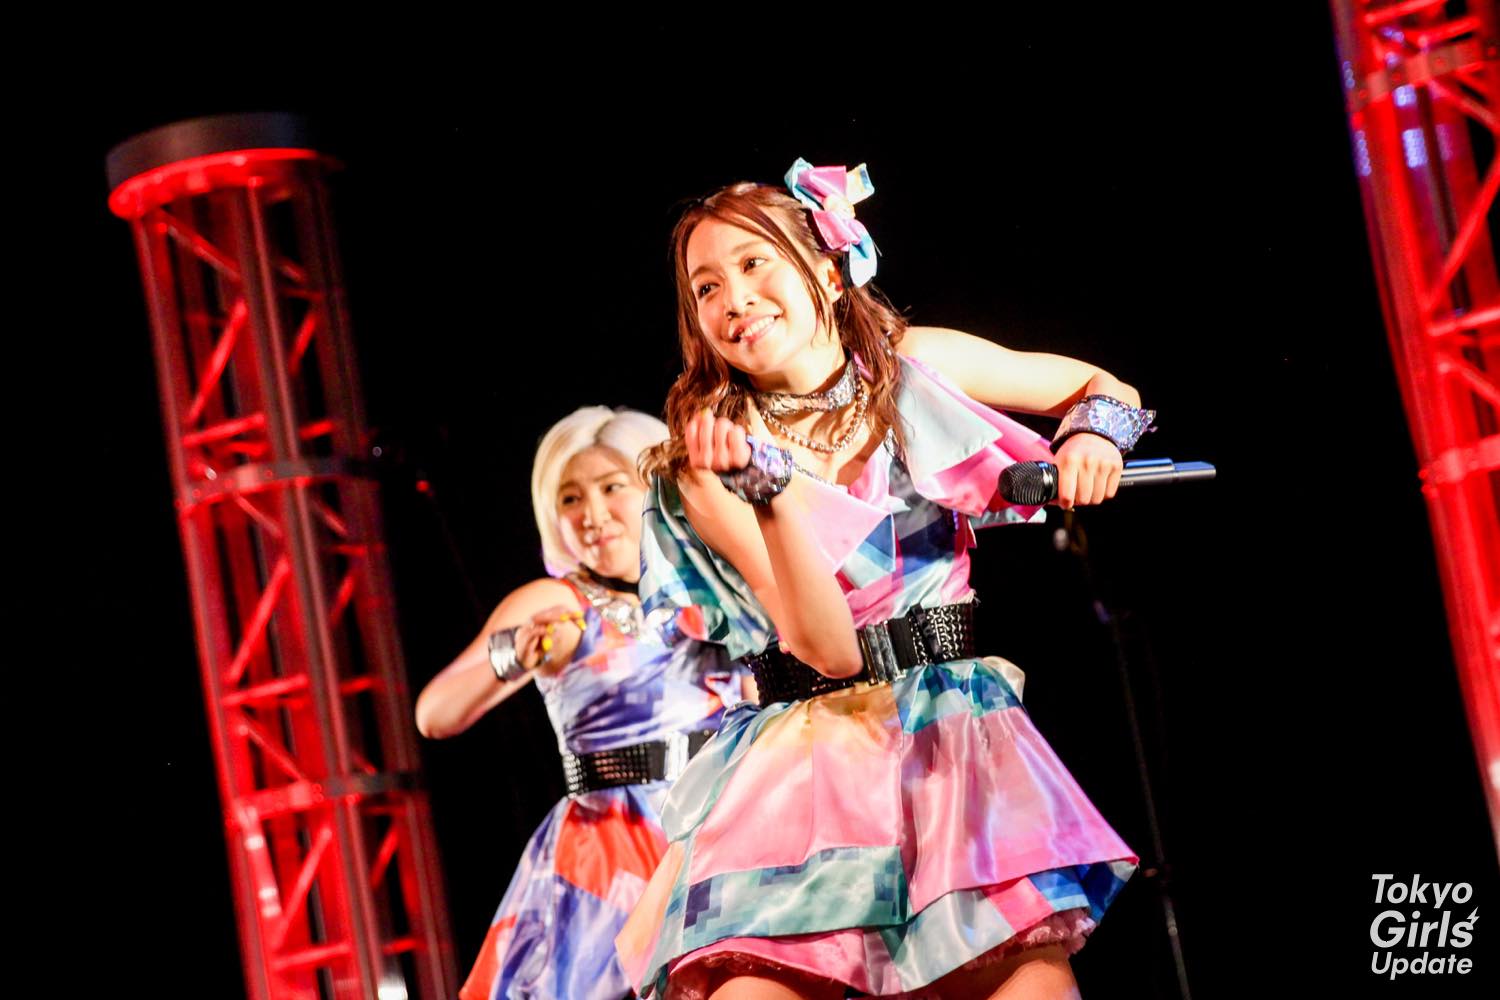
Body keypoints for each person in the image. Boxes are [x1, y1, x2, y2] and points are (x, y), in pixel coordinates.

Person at [615, 161, 1146, 999]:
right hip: (805, 765)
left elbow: (1102, 389)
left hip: (950, 740)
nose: (734, 298)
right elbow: (830, 649)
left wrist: (1091, 439)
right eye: (706, 286)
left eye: (754, 264)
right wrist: (770, 495)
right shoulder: (707, 459)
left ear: (828, 273)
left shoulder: (913, 366)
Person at [415, 406, 746, 1000]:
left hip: (722, 827)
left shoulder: (717, 586)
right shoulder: (557, 601)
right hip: (610, 850)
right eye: (570, 498)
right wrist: (514, 653)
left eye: (612, 487)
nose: (591, 515)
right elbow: (434, 713)